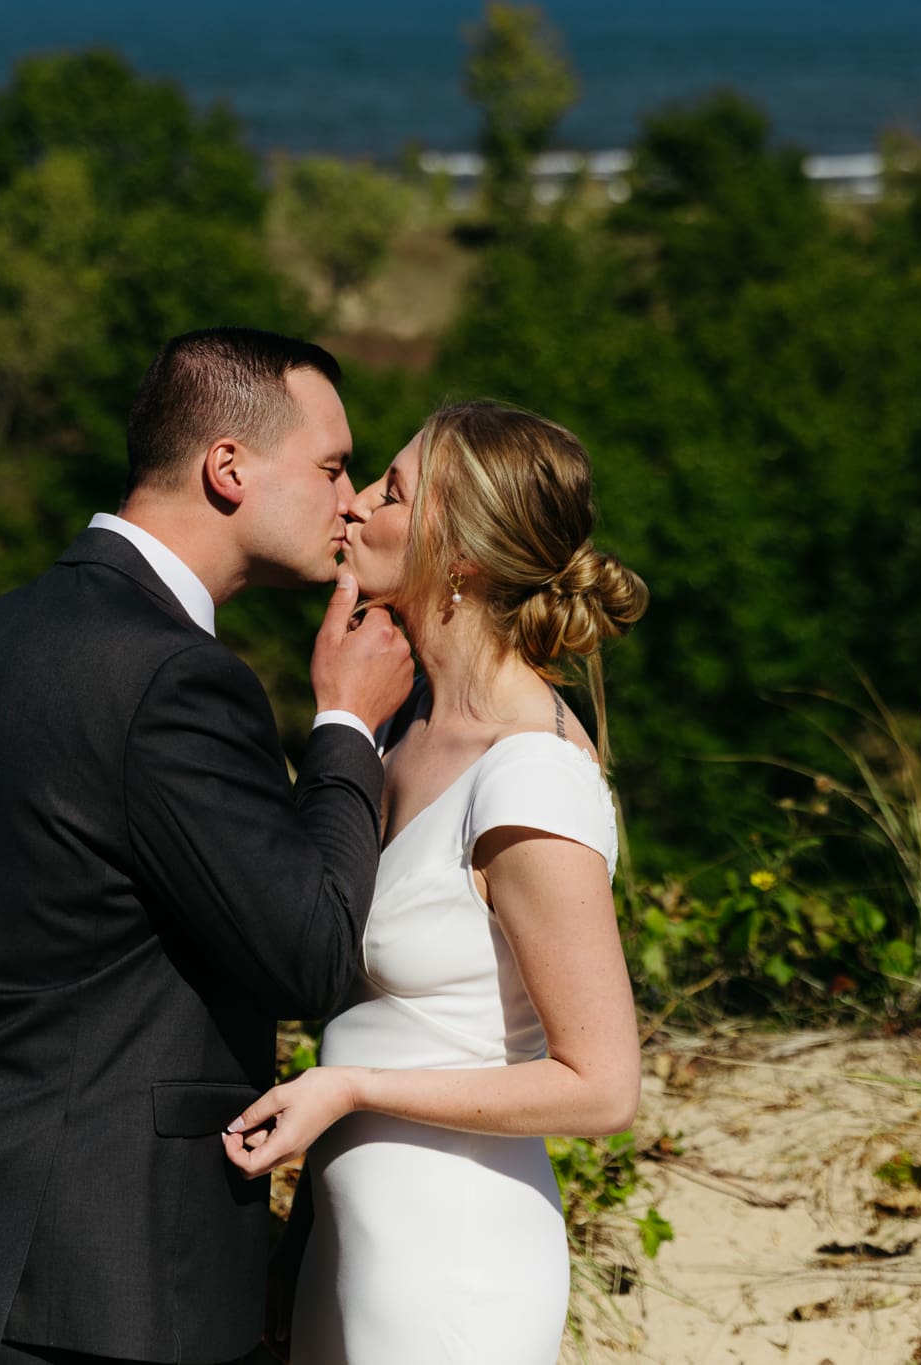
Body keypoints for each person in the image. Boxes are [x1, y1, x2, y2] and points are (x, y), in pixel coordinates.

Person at [0, 328, 414, 1365]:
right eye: (333, 467)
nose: (349, 501)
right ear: (227, 467)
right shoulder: (172, 677)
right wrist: (344, 726)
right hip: (105, 1294)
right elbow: (309, 954)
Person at [221, 401, 648, 1365]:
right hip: (349, 1249)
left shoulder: (529, 772)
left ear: (458, 557)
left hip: (453, 1266)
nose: (357, 500)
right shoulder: (401, 727)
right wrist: (302, 1247)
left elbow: (603, 1086)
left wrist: (351, 1086)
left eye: (393, 489)